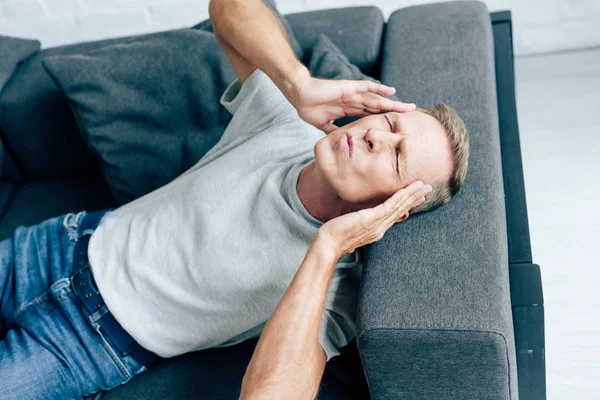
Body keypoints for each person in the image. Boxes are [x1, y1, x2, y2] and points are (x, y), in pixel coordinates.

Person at [0, 0, 470, 398]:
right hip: (53, 247)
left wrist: (326, 246)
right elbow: (227, 7)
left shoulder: (334, 286)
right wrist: (297, 82)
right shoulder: (288, 125)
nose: (375, 139)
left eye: (397, 157)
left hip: (84, 345)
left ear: (396, 204)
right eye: (389, 125)